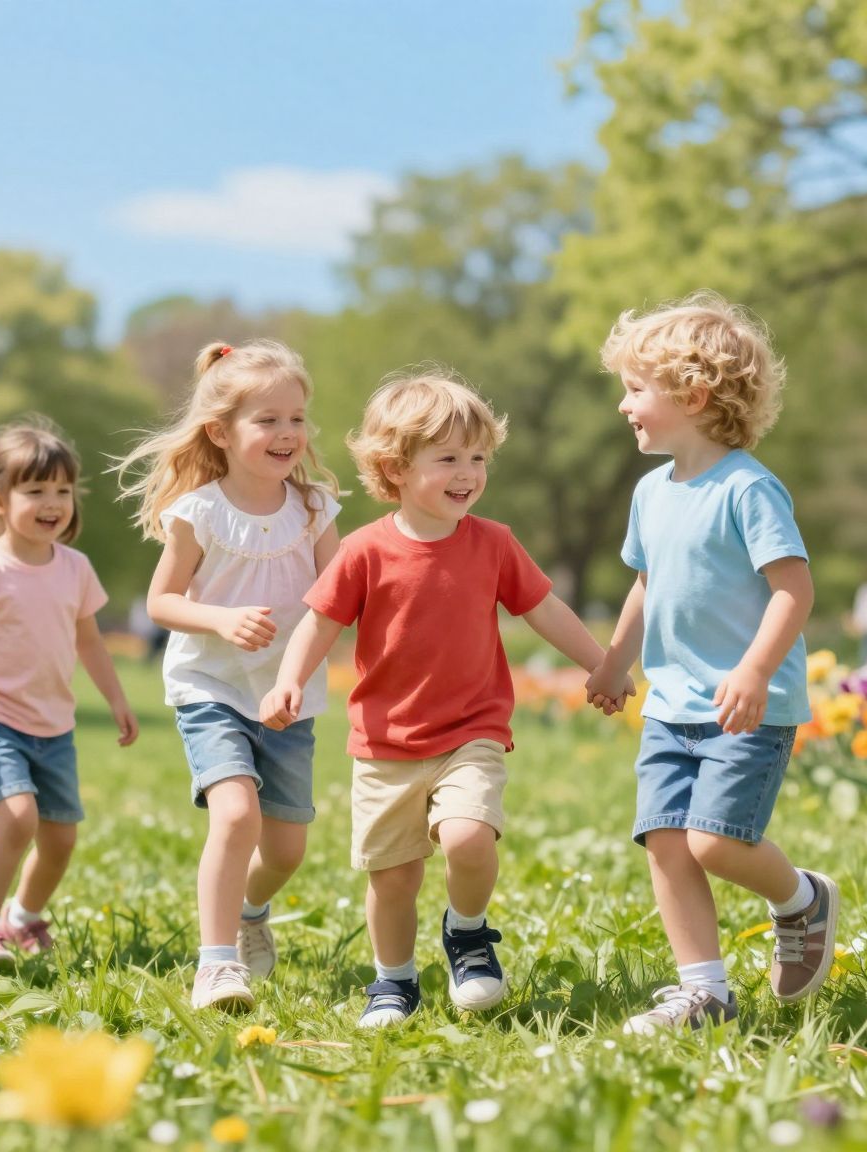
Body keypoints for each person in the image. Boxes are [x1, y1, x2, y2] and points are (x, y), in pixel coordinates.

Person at [260, 372, 608, 1028]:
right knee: (392, 878)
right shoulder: (365, 551)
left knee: (469, 836)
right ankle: (393, 982)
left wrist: (602, 664)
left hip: (471, 730)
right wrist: (289, 680)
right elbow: (319, 623)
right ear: (395, 467)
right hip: (385, 743)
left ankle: (468, 933)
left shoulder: (494, 543)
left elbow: (544, 609)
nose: (468, 473)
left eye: (478, 458)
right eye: (448, 458)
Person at [584, 292, 838, 1035]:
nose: (624, 406)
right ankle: (705, 992)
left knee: (715, 842)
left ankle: (801, 900)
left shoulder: (748, 488)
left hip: (742, 705)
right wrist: (614, 662)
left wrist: (756, 669)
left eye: (635, 390)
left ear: (692, 397)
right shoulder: (649, 492)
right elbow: (646, 583)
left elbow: (794, 589)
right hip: (670, 704)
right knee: (666, 840)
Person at [115, 340, 344, 1011]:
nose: (287, 434)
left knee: (286, 850)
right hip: (212, 690)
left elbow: (340, 595)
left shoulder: (316, 509)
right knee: (235, 813)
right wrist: (220, 619)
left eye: (297, 418)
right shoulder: (200, 512)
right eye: (267, 420)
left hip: (290, 694)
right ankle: (216, 965)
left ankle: (249, 913)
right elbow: (162, 603)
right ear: (221, 431)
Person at [0, 419, 138, 971]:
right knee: (17, 816)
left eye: (63, 490)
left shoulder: (75, 568)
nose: (52, 502)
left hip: (54, 724)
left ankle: (23, 915)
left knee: (60, 840)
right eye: (36, 491)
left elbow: (90, 641)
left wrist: (117, 700)